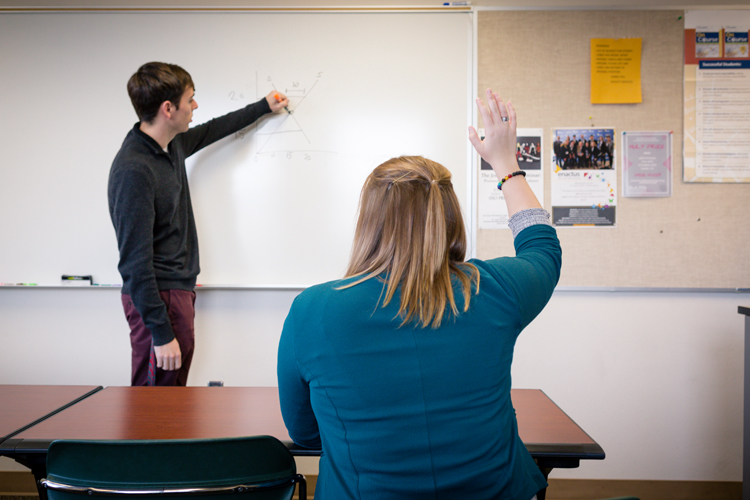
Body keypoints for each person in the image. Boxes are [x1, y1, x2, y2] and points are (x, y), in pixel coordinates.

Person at [277, 89, 561, 500]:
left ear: (369, 221)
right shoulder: (495, 289)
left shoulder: (313, 311)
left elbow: (305, 432)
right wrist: (505, 163)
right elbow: (542, 249)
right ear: (449, 217)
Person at [109, 62, 289, 386]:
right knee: (154, 404)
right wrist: (160, 332)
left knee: (173, 397)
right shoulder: (134, 170)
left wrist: (264, 107)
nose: (195, 106)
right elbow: (134, 265)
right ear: (168, 108)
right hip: (157, 299)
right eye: (190, 99)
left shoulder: (171, 145)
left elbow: (214, 129)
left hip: (177, 292)